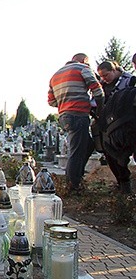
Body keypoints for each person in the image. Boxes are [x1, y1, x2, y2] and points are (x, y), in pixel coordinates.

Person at [48, 53, 104, 193]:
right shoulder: (82, 68)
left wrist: (65, 102)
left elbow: (51, 101)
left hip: (64, 116)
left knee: (88, 145)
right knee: (76, 151)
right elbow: (97, 90)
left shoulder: (55, 75)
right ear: (85, 60)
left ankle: (77, 176)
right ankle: (73, 184)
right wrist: (100, 109)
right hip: (78, 114)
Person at [96, 60, 136, 192]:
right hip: (109, 124)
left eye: (106, 75)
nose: (104, 78)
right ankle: (122, 183)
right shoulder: (102, 85)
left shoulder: (130, 80)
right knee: (111, 154)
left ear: (114, 70)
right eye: (101, 76)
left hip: (128, 122)